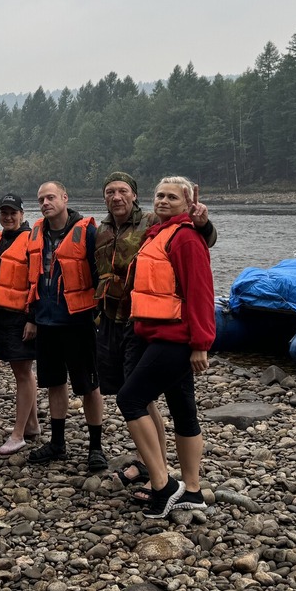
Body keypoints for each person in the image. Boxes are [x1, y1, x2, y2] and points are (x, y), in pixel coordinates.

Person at [95, 172, 216, 492]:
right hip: (132, 325)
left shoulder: (177, 231)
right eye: (160, 196)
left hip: (170, 333)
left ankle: (166, 484)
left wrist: (201, 343)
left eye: (171, 197)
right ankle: (187, 488)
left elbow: (200, 287)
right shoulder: (123, 230)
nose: (163, 201)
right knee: (180, 407)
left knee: (132, 398)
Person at [23, 181, 107, 473]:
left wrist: (100, 317)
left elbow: (99, 276)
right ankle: (57, 443)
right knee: (55, 383)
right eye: (41, 198)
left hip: (78, 321)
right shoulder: (35, 232)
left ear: (64, 198)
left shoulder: (87, 231)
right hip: (46, 322)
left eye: (50, 197)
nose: (45, 202)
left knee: (88, 386)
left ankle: (95, 447)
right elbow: (31, 278)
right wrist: (32, 317)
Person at [0, 193, 40, 455]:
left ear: (22, 214)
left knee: (22, 372)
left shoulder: (31, 240)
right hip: (2, 315)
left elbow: (36, 282)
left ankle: (18, 435)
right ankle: (32, 424)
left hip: (21, 316)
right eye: (4, 212)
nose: (8, 217)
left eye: (13, 212)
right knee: (23, 372)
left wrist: (32, 319)